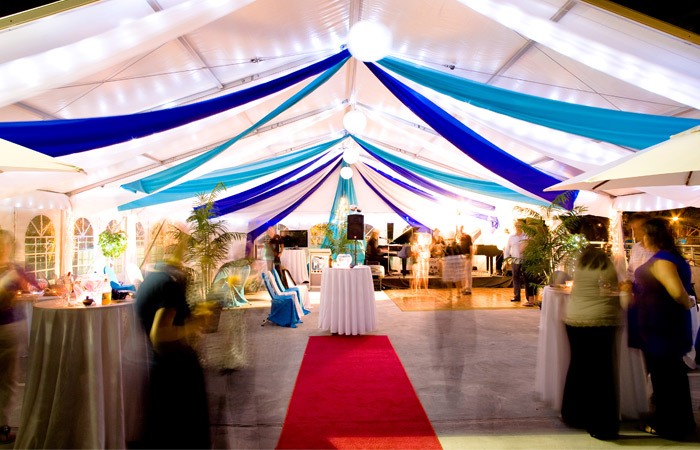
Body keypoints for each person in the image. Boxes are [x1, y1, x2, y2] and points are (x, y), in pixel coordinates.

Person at [136, 237, 211, 449]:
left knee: (163, 432)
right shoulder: (170, 286)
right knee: (184, 433)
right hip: (177, 371)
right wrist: (194, 324)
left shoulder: (149, 282)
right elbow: (159, 335)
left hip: (158, 369)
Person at [628, 217, 696, 441]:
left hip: (662, 327)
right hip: (660, 326)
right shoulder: (667, 257)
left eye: (643, 234)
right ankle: (673, 422)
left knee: (667, 377)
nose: (640, 238)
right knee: (667, 376)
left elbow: (677, 293)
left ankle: (673, 426)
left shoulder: (663, 261)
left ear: (652, 236)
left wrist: (689, 302)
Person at [561, 247, 622, 440]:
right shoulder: (607, 267)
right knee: (602, 373)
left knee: (578, 367)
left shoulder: (579, 266)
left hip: (574, 320)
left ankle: (574, 414)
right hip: (601, 321)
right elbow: (613, 289)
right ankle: (603, 424)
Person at [0, 230, 37, 445]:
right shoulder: (12, 270)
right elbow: (36, 287)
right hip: (9, 327)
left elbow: (35, 286)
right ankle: (3, 427)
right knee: (8, 379)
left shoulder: (14, 269)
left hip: (10, 327)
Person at [504, 221, 532, 305]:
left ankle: (529, 298)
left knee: (527, 279)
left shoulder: (526, 236)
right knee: (516, 278)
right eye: (516, 225)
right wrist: (506, 260)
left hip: (525, 260)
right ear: (514, 226)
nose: (518, 227)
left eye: (520, 225)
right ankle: (517, 296)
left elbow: (532, 246)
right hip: (515, 260)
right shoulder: (511, 237)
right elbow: (507, 249)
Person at [458, 227, 473, 295]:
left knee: (467, 274)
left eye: (462, 230)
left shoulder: (468, 237)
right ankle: (464, 288)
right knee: (462, 274)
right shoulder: (460, 238)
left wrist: (471, 256)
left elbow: (471, 247)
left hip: (467, 256)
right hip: (461, 257)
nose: (461, 231)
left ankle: (468, 289)